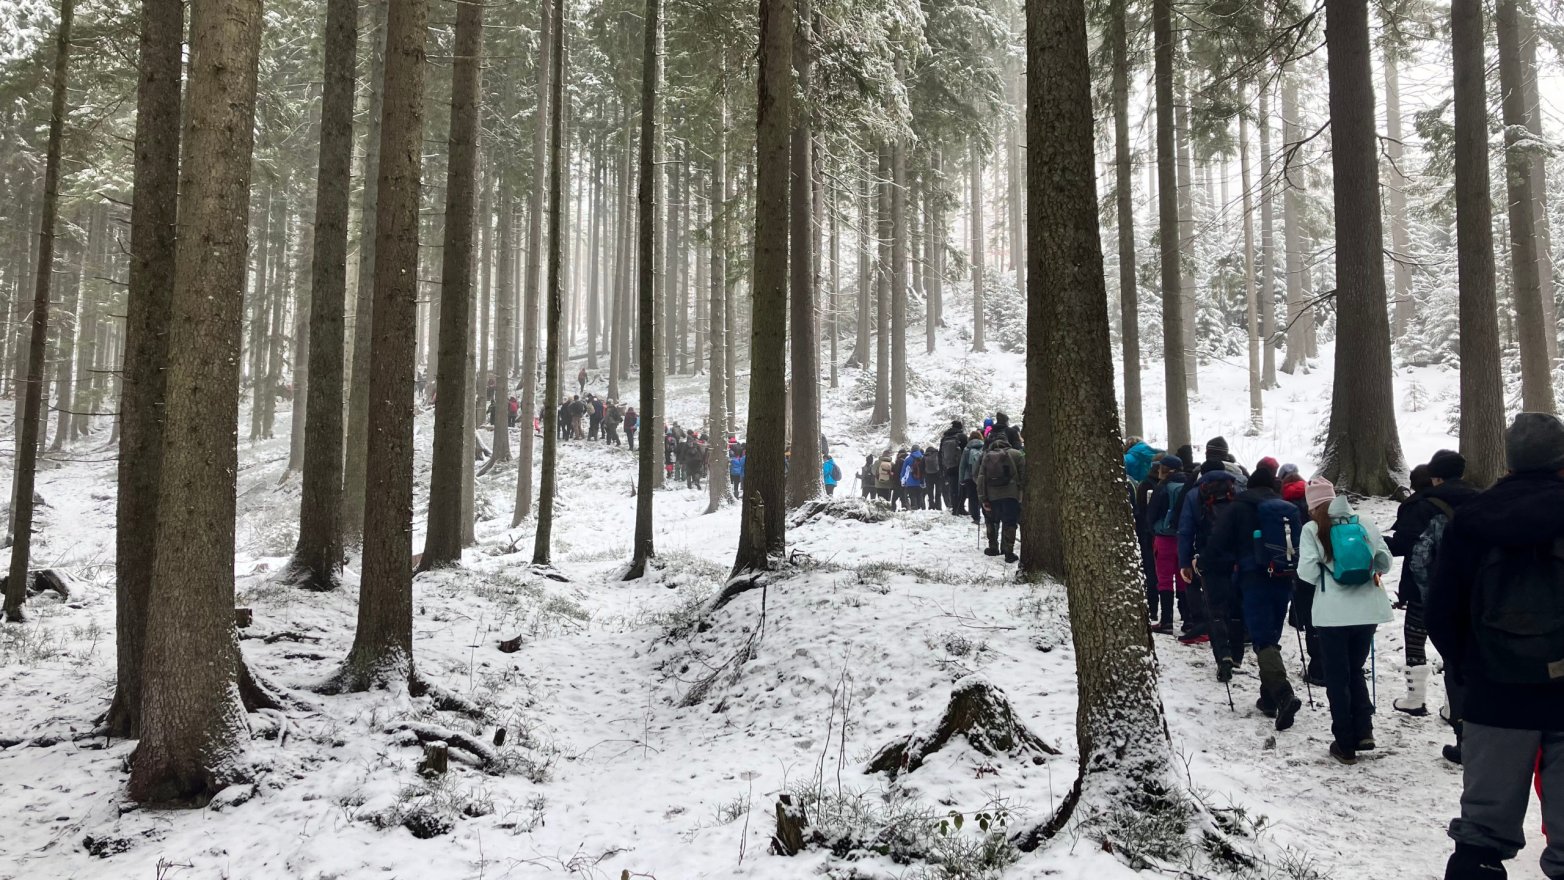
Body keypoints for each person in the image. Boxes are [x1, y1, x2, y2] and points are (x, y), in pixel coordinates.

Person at [1429, 413, 1564, 880]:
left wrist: (1469, 669)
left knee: (1481, 836)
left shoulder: (1472, 520)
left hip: (1494, 693)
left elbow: (1441, 612)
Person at [1296, 477, 1394, 765]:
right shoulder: (1364, 521)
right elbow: (1385, 562)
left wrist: (1330, 578)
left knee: (1337, 676)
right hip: (1367, 611)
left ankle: (1345, 742)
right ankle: (1364, 731)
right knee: (1355, 668)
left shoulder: (1312, 529)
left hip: (1332, 614)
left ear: (1312, 506)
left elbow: (1307, 572)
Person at [1207, 464, 1303, 730]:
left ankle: (1283, 694)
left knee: (1262, 639)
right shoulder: (1285, 508)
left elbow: (1217, 543)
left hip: (1253, 578)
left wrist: (1208, 563)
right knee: (1270, 635)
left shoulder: (1239, 507)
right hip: (1283, 578)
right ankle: (1268, 698)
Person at [1389, 451, 1477, 719]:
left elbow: (1404, 545)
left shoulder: (1421, 506)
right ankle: (1455, 706)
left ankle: (1415, 699)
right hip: (1471, 588)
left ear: (1435, 477)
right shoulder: (1482, 500)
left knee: (1416, 638)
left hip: (1426, 588)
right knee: (1457, 644)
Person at [1182, 461, 1242, 679]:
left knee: (1215, 609)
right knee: (1235, 607)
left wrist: (1185, 562)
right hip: (1237, 558)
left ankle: (1223, 656)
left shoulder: (1195, 495)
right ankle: (1236, 654)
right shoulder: (1236, 490)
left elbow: (1186, 530)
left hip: (1208, 558)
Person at [1146, 456, 1192, 635]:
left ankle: (1166, 621)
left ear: (1165, 469)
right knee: (1183, 578)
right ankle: (1188, 620)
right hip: (1184, 538)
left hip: (1164, 539)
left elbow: (1152, 514)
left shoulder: (1162, 487)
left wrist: (1154, 529)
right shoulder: (1189, 485)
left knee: (1164, 579)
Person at [976, 435, 1025, 562]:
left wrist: (983, 498)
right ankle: (1008, 552)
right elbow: (1023, 476)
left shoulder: (987, 456)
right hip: (1011, 495)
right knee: (1010, 522)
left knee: (991, 521)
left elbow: (981, 478)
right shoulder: (1017, 454)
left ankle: (993, 548)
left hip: (992, 495)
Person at [1135, 451, 1167, 621]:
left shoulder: (1145, 484)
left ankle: (1153, 609)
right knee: (1161, 574)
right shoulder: (1163, 486)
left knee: (1152, 573)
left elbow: (1140, 512)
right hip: (1161, 535)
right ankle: (1159, 610)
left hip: (1149, 536)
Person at [940, 421, 967, 515]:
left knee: (953, 488)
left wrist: (942, 469)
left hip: (949, 466)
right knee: (962, 487)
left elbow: (940, 454)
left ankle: (954, 508)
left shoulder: (944, 438)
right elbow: (965, 452)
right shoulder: (962, 437)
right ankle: (961, 508)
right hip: (960, 466)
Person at [958, 432, 985, 527]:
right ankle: (986, 514)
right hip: (982, 476)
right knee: (982, 495)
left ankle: (976, 518)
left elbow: (962, 466)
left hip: (969, 477)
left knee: (972, 497)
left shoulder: (967, 449)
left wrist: (961, 479)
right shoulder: (984, 447)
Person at [923, 446, 943, 510]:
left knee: (930, 492)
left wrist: (924, 475)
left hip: (928, 476)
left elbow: (922, 467)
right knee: (938, 492)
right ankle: (938, 506)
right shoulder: (937, 455)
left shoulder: (924, 456)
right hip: (938, 475)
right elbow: (941, 464)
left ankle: (931, 506)